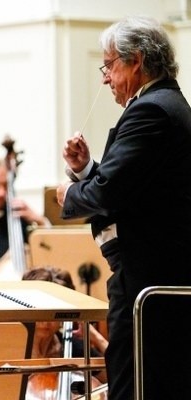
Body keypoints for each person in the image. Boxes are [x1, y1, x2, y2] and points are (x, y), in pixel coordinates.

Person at [57, 16, 191, 400]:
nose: (105, 77)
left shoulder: (151, 110)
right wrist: (86, 169)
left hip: (148, 277)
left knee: (133, 387)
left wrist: (69, 193)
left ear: (135, 60)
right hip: (151, 276)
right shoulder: (164, 104)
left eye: (109, 64)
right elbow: (134, 191)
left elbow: (108, 195)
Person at [22, 267, 107, 399]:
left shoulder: (72, 346)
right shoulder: (13, 346)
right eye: (39, 309)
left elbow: (122, 375)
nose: (45, 320)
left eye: (53, 312)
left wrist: (97, 338)